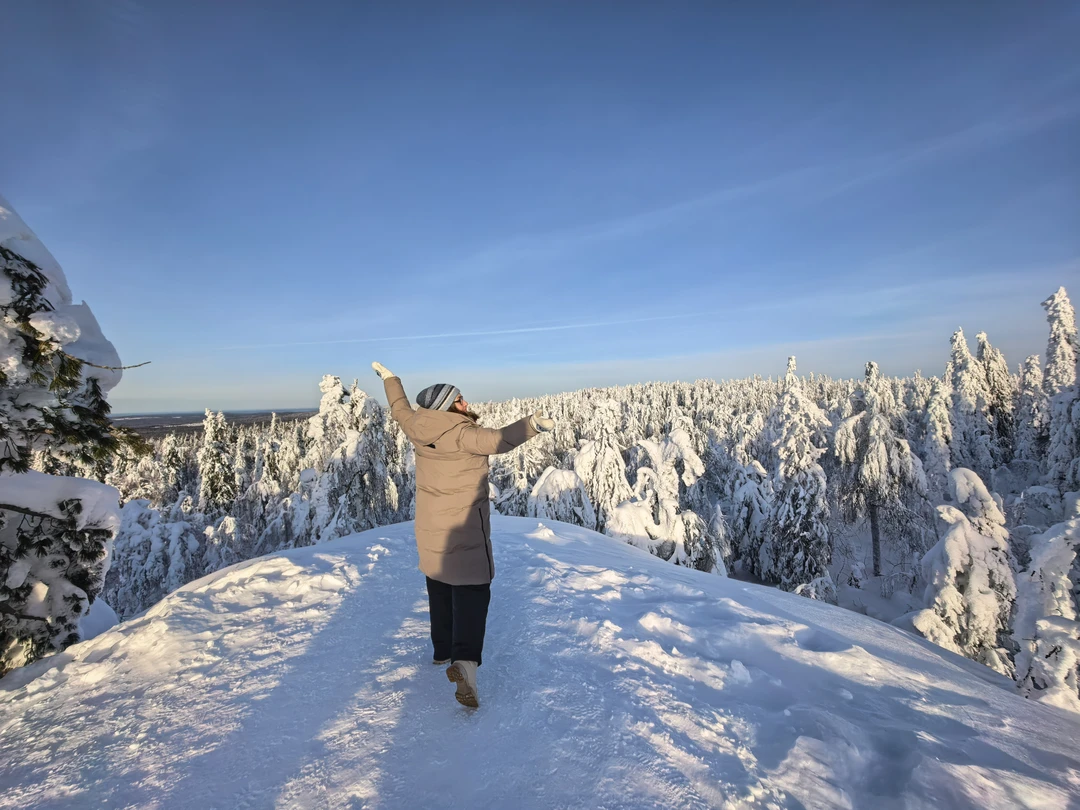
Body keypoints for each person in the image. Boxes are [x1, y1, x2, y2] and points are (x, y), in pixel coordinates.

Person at [371, 361, 553, 708]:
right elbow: (500, 439)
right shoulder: (463, 433)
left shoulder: (416, 426)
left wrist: (391, 379)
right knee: (472, 593)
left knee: (439, 585)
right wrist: (532, 425)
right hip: (464, 530)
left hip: (430, 529)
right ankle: (465, 665)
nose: (466, 404)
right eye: (460, 399)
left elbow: (400, 408)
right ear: (448, 405)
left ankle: (441, 652)